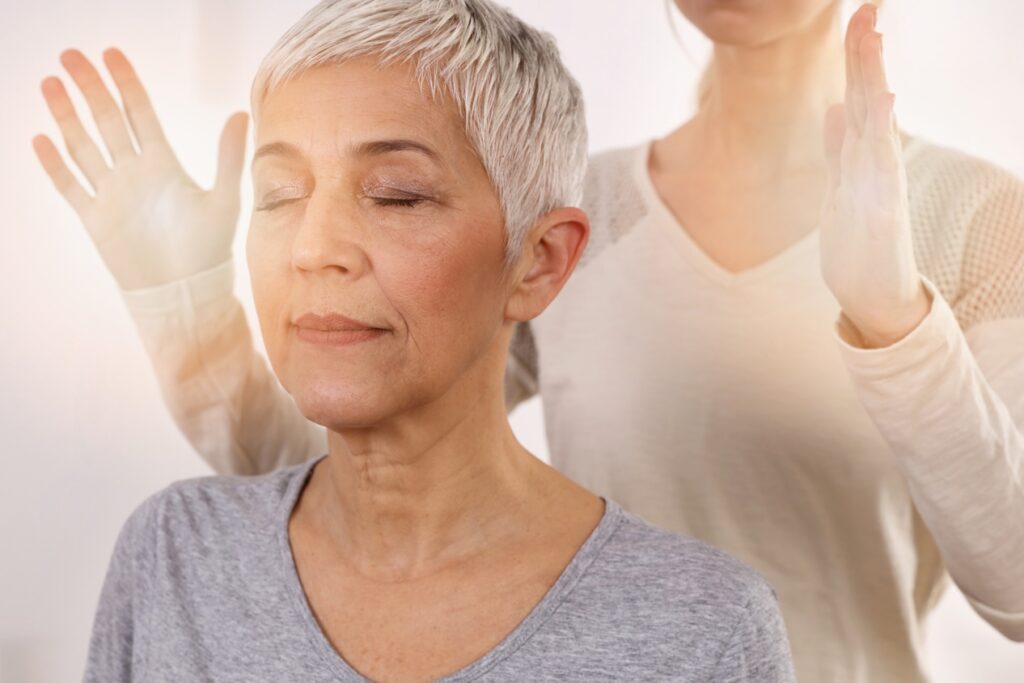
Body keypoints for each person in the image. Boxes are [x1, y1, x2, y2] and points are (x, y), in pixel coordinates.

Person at [32, 0, 1024, 681]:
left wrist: (892, 322)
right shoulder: (571, 207)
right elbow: (376, 478)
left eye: (395, 193)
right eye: (284, 193)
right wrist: (189, 301)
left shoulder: (972, 219)